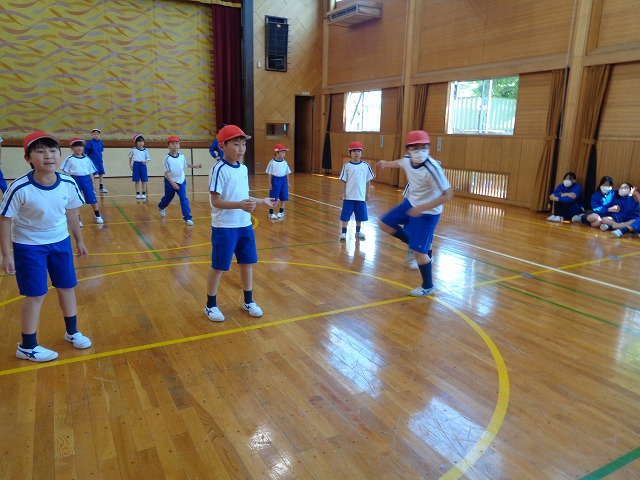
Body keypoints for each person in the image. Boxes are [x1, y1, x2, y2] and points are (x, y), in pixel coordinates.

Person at [0, 131, 91, 362]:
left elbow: (72, 213)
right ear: (28, 158)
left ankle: (72, 332)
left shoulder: (68, 183)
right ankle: (27, 346)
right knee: (36, 294)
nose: (48, 156)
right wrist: (6, 254)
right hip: (29, 247)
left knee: (67, 286)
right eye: (40, 151)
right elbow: (5, 219)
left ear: (60, 154)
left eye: (52, 150)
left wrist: (79, 240)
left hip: (60, 243)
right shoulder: (19, 187)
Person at [204, 125, 276, 322]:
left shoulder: (243, 169)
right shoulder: (218, 169)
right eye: (236, 144)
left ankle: (248, 301)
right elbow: (215, 201)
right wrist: (239, 205)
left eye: (243, 144)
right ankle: (210, 305)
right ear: (222, 146)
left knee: (247, 263)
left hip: (244, 225)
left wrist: (261, 201)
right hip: (224, 227)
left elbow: (243, 196)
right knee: (219, 266)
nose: (241, 149)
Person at [377, 130, 453, 296]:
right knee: (384, 223)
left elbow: (447, 194)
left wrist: (421, 208)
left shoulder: (432, 168)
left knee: (419, 253)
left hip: (428, 213)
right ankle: (417, 244)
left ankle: (428, 286)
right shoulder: (407, 160)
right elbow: (400, 162)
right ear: (408, 150)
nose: (420, 151)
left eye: (424, 147)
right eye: (415, 148)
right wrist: (386, 163)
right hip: (411, 204)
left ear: (429, 147)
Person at [158, 135, 202, 225]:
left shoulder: (181, 156)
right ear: (168, 146)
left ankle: (187, 217)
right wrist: (172, 184)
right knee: (168, 198)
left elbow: (185, 164)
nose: (175, 145)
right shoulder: (167, 159)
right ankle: (161, 206)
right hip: (170, 181)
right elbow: (166, 173)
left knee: (183, 198)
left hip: (181, 181)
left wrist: (195, 166)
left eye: (177, 143)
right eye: (173, 144)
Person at [60, 138, 104, 225]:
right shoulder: (69, 159)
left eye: (80, 146)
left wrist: (93, 182)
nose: (79, 148)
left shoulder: (87, 159)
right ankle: (78, 219)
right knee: (75, 201)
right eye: (76, 146)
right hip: (75, 180)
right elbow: (65, 171)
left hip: (86, 180)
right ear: (71, 148)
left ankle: (97, 215)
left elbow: (90, 172)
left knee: (92, 198)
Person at [339, 141, 375, 240]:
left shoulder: (365, 165)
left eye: (359, 151)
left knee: (359, 216)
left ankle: (358, 232)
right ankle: (343, 233)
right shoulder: (347, 166)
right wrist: (343, 192)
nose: (356, 153)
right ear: (350, 153)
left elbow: (368, 180)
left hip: (360, 196)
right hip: (349, 196)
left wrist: (368, 193)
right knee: (345, 215)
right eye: (354, 151)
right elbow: (343, 180)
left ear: (361, 153)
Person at [266, 143, 292, 219]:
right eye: (282, 152)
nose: (284, 154)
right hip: (275, 180)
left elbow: (287, 173)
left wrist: (288, 182)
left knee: (284, 196)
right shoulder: (272, 163)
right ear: (276, 153)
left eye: (284, 152)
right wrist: (270, 183)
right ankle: (271, 213)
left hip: (283, 180)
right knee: (273, 197)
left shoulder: (285, 162)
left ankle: (281, 212)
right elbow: (269, 173)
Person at [84, 128, 108, 193]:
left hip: (99, 161)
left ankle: (101, 187)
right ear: (92, 135)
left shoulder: (100, 143)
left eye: (97, 134)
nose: (96, 135)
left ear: (99, 135)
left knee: (101, 173)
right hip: (92, 161)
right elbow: (86, 151)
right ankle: (92, 188)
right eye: (94, 134)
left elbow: (101, 151)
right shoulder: (90, 142)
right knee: (93, 175)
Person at [128, 133, 150, 199]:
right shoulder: (133, 150)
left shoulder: (145, 150)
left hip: (143, 166)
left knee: (144, 180)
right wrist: (130, 165)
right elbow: (130, 157)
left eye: (142, 141)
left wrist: (146, 161)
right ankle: (137, 193)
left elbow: (148, 158)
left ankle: (143, 192)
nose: (141, 143)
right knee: (136, 180)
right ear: (136, 142)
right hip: (136, 165)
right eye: (139, 141)